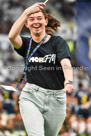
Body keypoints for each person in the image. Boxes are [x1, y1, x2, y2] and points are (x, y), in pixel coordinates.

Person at [8, 2, 74, 136]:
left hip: (57, 99)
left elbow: (65, 62)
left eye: (39, 18)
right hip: (31, 97)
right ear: (26, 24)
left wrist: (68, 81)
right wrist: (26, 12)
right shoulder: (26, 44)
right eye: (31, 19)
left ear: (45, 21)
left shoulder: (58, 42)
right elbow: (12, 36)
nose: (35, 22)